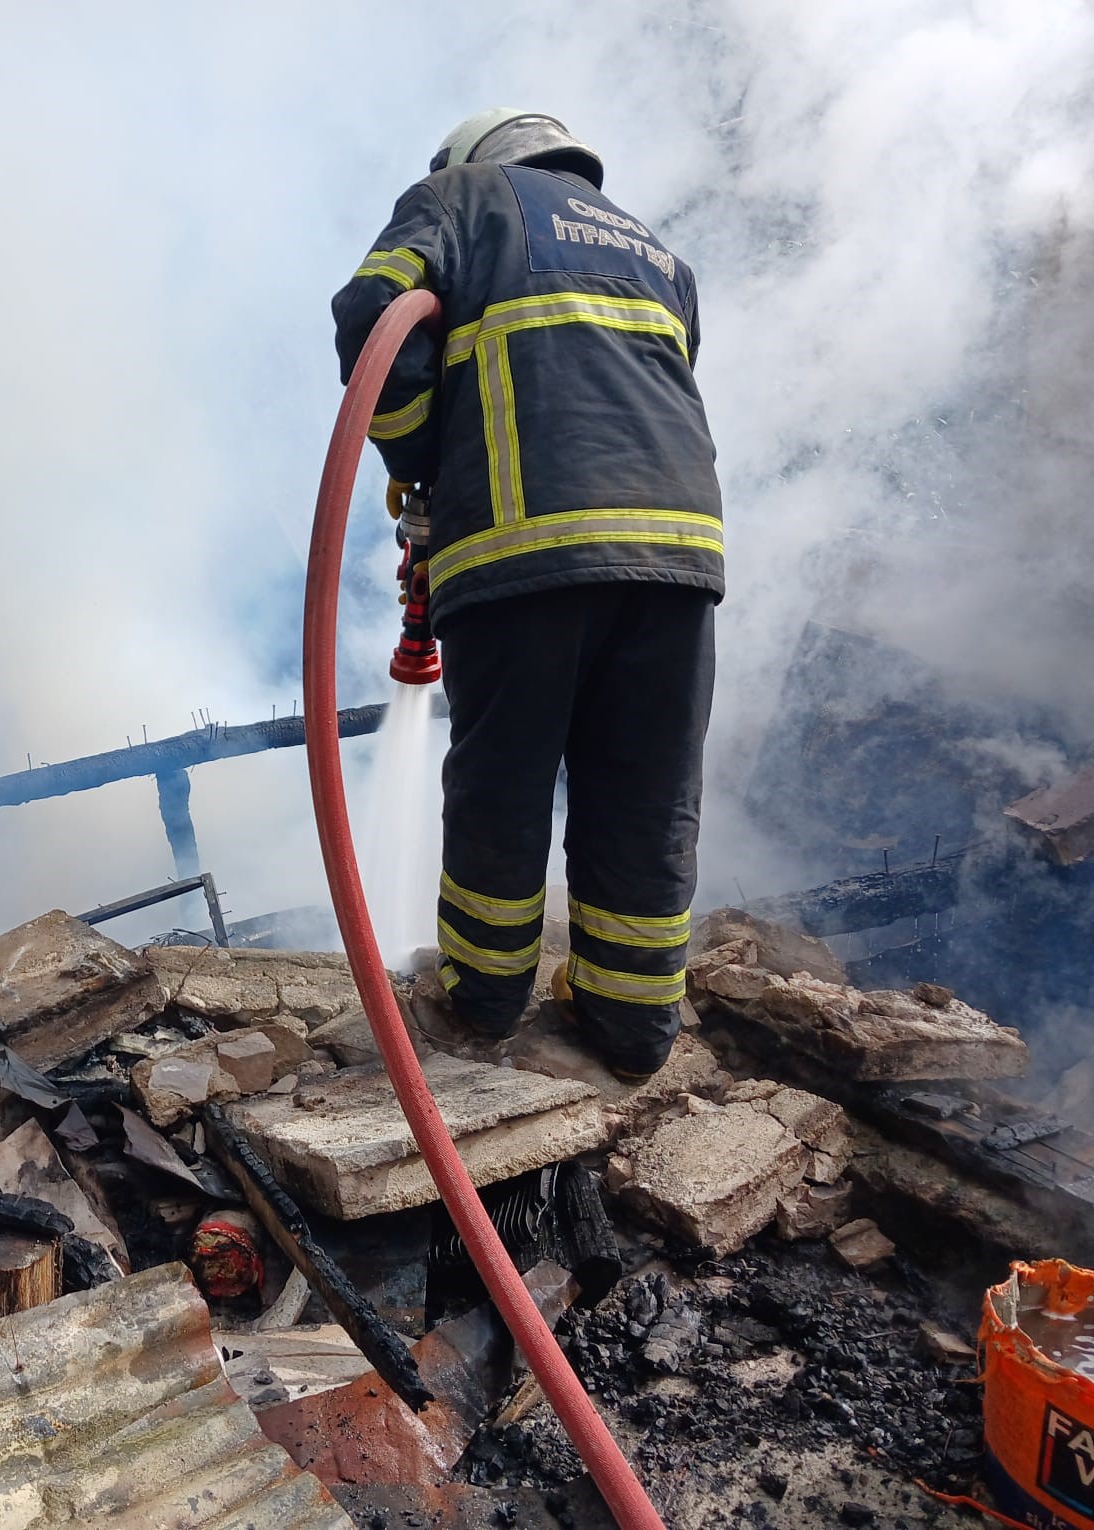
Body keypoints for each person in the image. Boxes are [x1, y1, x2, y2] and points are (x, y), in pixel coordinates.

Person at [331, 109, 723, 1082]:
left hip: (523, 544)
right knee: (645, 789)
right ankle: (630, 1027)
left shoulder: (459, 200)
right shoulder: (656, 249)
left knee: (503, 783)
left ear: (471, 161)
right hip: (680, 557)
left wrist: (421, 466)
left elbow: (372, 312)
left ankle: (480, 1000)